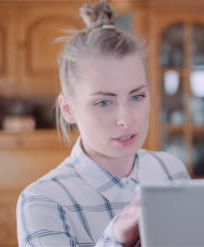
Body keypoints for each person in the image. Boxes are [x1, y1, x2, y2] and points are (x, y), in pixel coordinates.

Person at [16, 1, 189, 246]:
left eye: (137, 96)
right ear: (68, 109)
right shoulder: (42, 201)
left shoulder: (171, 171)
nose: (126, 120)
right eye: (103, 103)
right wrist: (117, 237)